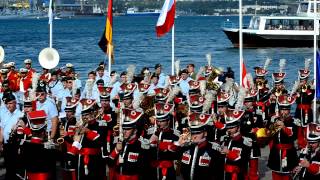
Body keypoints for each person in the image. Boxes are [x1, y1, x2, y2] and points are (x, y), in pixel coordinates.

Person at [67, 99, 106, 180]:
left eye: (87, 114)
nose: (84, 117)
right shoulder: (81, 126)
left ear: (93, 113)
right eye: (83, 115)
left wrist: (88, 132)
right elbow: (76, 143)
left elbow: (101, 142)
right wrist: (67, 136)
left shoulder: (101, 125)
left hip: (95, 160)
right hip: (81, 159)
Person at [178, 112, 223, 180]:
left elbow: (218, 174)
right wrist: (178, 144)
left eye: (198, 133)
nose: (194, 136)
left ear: (205, 133)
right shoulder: (186, 147)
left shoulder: (213, 149)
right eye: (192, 133)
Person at [108, 108, 147, 180]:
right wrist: (116, 150)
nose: (124, 131)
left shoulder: (140, 145)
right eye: (124, 129)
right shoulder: (119, 142)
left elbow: (143, 170)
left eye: (128, 129)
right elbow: (109, 163)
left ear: (135, 130)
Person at [267, 94, 299, 180]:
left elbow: (293, 136)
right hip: (276, 153)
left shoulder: (294, 122)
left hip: (289, 153)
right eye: (282, 110)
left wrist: (284, 127)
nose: (283, 112)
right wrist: (273, 126)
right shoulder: (275, 120)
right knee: (276, 175)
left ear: (289, 110)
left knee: (287, 176)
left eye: (286, 110)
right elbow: (269, 134)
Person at [22, 110, 57, 180]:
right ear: (43, 132)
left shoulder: (25, 145)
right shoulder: (47, 148)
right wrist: (75, 144)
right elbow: (66, 157)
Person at [149, 102, 179, 180]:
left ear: (168, 121)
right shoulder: (152, 133)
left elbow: (176, 153)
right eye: (158, 121)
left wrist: (160, 145)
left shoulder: (174, 135)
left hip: (167, 171)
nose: (159, 123)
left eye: (162, 121)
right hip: (153, 170)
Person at [220, 108, 252, 180]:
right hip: (224, 175)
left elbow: (244, 162)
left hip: (238, 176)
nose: (229, 130)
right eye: (228, 128)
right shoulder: (224, 139)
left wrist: (229, 152)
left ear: (238, 128)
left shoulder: (245, 142)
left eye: (232, 128)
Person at [0, 92, 23, 180]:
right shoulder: (5, 114)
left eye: (10, 103)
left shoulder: (20, 115)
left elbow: (23, 130)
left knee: (15, 168)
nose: (8, 106)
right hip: (6, 145)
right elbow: (2, 129)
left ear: (15, 103)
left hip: (15, 145)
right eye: (7, 103)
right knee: (8, 167)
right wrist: (1, 143)